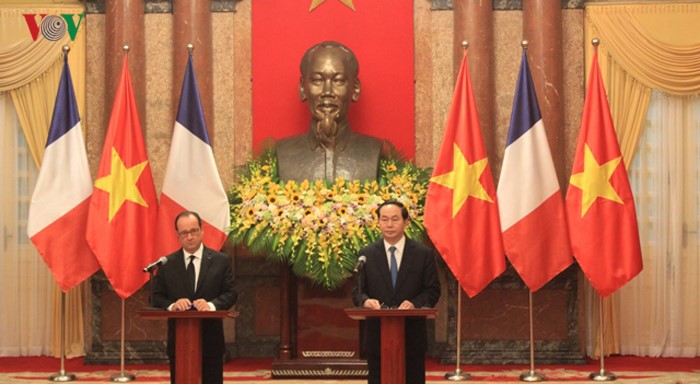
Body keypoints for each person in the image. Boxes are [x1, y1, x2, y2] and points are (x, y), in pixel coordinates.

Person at [352, 201, 441, 384]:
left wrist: (415, 303)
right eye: (384, 219)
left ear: (406, 222)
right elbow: (358, 292)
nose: (389, 225)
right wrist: (366, 301)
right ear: (378, 223)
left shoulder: (422, 254)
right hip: (378, 337)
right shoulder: (366, 254)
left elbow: (433, 290)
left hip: (412, 336)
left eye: (394, 219)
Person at [277, 40, 383, 183]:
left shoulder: (374, 151)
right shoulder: (283, 153)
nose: (327, 92)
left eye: (338, 81)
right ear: (302, 88)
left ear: (355, 89)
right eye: (317, 80)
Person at [152, 211, 238, 384]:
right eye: (184, 233)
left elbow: (231, 293)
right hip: (179, 343)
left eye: (194, 231)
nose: (190, 237)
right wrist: (173, 305)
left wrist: (211, 305)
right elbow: (155, 297)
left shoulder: (220, 261)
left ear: (202, 231)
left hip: (211, 340)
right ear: (177, 235)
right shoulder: (167, 264)